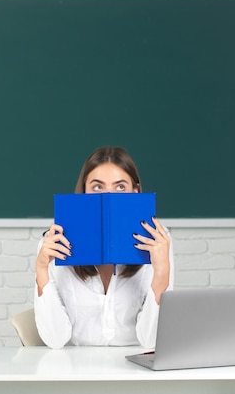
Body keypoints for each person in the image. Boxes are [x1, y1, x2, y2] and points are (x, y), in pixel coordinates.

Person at [34, 146, 174, 349]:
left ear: (135, 191)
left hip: (135, 369)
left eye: (120, 187)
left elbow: (151, 342)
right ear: (84, 192)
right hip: (76, 368)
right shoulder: (55, 243)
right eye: (98, 187)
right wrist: (41, 269)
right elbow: (55, 341)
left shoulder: (159, 242)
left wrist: (161, 272)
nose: (109, 196)